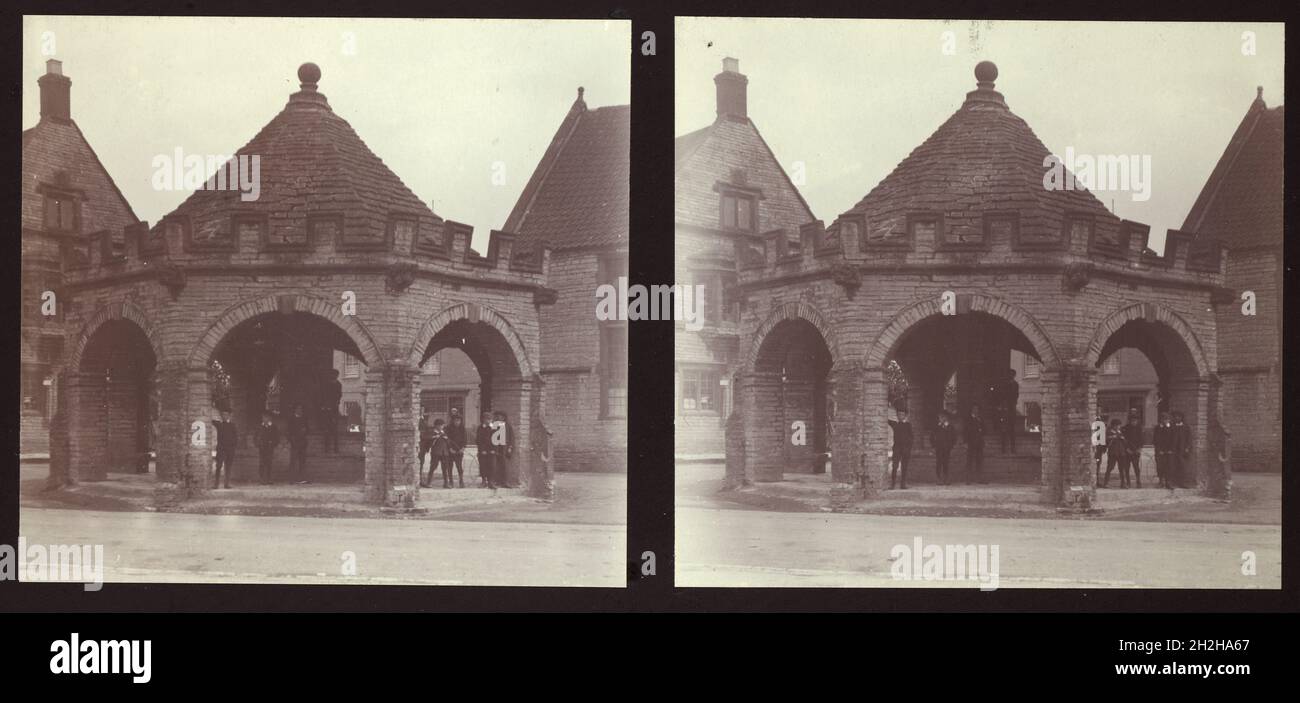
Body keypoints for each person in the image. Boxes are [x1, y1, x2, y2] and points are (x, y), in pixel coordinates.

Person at [886, 408, 912, 489]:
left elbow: (911, 437)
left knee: (904, 466)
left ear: (905, 416)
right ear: (897, 416)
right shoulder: (895, 424)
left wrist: (908, 447)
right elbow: (886, 420)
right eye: (899, 415)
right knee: (894, 466)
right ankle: (892, 484)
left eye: (902, 415)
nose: (901, 416)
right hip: (897, 448)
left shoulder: (908, 425)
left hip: (905, 449)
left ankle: (903, 484)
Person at [212, 410, 238, 489]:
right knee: (218, 466)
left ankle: (227, 484)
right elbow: (211, 421)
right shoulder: (219, 424)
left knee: (228, 467)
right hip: (221, 449)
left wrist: (233, 447)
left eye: (226, 415)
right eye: (223, 415)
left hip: (230, 449)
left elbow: (236, 437)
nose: (224, 416)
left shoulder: (233, 425)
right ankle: (216, 484)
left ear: (229, 416)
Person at [424, 418, 451, 488]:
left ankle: (446, 483)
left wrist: (447, 439)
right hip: (436, 453)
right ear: (436, 426)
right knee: (433, 467)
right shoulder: (433, 432)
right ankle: (428, 482)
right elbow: (428, 441)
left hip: (444, 453)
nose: (442, 427)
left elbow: (449, 443)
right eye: (440, 425)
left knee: (445, 468)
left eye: (442, 425)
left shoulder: (444, 433)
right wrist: (435, 437)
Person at [321, 369, 343, 453]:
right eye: (332, 375)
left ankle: (336, 448)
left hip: (334, 409)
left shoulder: (338, 385)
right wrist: (325, 406)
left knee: (335, 429)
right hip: (327, 409)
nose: (334, 376)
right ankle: (327, 448)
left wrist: (335, 404)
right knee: (327, 429)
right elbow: (324, 395)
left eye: (335, 375)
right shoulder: (327, 384)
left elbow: (339, 396)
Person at [493, 411, 516, 488]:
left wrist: (510, 447)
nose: (499, 418)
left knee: (505, 465)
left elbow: (511, 438)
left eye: (501, 416)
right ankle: (497, 481)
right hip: (496, 447)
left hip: (504, 448)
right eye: (498, 416)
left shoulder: (508, 426)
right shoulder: (495, 425)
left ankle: (505, 482)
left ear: (504, 417)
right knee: (496, 464)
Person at [932, 410, 956, 485]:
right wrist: (934, 445)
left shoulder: (950, 427)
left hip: (947, 448)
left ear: (946, 418)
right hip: (939, 448)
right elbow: (932, 437)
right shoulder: (936, 427)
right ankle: (938, 478)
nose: (941, 419)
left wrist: (951, 445)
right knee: (939, 463)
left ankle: (946, 478)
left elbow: (954, 437)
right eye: (940, 417)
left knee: (946, 463)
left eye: (943, 417)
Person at [963, 404, 986, 483]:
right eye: (974, 409)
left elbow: (984, 430)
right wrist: (965, 442)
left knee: (979, 461)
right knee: (969, 461)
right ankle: (968, 479)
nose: (976, 410)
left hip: (979, 443)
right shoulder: (968, 419)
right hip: (971, 442)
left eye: (977, 409)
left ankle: (979, 478)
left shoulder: (980, 419)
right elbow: (965, 431)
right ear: (971, 410)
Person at [287, 404, 309, 484]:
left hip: (302, 443)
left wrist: (305, 430)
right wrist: (292, 440)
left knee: (302, 461)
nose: (300, 410)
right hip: (295, 443)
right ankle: (292, 479)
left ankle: (302, 479)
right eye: (298, 409)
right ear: (295, 410)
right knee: (293, 461)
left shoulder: (304, 419)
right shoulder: (291, 419)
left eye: (301, 409)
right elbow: (288, 432)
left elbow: (308, 429)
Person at [1153, 411, 1175, 490]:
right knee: (1160, 466)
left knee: (1169, 466)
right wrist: (1159, 450)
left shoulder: (1172, 427)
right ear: (1161, 420)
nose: (1165, 421)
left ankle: (1168, 482)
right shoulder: (1158, 428)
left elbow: (1174, 440)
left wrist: (1171, 449)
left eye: (1166, 419)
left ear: (1169, 420)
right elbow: (1156, 440)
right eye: (1163, 419)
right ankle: (1161, 481)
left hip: (1169, 451)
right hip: (1160, 451)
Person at [255, 411, 279, 485]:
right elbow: (255, 437)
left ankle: (268, 479)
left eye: (266, 417)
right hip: (262, 448)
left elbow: (277, 438)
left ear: (270, 418)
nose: (264, 419)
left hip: (269, 448)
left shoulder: (273, 427)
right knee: (262, 463)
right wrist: (258, 444)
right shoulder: (259, 427)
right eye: (263, 417)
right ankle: (261, 479)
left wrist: (273, 444)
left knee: (269, 463)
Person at [1122, 409, 1144, 489]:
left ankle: (1138, 481)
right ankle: (1128, 482)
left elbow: (1141, 440)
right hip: (1127, 451)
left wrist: (1139, 449)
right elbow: (1123, 440)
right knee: (1127, 467)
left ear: (1137, 421)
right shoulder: (1125, 428)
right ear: (1129, 420)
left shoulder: (1139, 428)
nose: (1134, 422)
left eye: (1135, 420)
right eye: (1132, 420)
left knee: (1136, 467)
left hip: (1136, 451)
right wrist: (1127, 449)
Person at [445, 409, 467, 488]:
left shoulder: (462, 429)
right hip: (451, 451)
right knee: (450, 467)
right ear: (452, 421)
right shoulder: (448, 428)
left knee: (459, 467)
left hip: (459, 451)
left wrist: (463, 448)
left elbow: (465, 439)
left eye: (459, 420)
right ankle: (451, 482)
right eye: (455, 420)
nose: (457, 422)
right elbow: (447, 439)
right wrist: (450, 448)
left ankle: (461, 481)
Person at [1103, 418, 1127, 488]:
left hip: (1121, 453)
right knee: (1110, 468)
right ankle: (1106, 483)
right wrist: (1112, 437)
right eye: (1116, 425)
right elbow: (1107, 441)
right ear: (1112, 426)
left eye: (1118, 425)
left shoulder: (1121, 432)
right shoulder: (1109, 432)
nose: (1117, 427)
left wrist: (1123, 439)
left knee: (1122, 469)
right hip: (1113, 453)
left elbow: (1125, 442)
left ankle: (1123, 483)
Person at [1000, 369, 1019, 453]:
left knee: (1012, 429)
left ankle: (1013, 448)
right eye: (1010, 374)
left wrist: (1013, 404)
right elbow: (1002, 395)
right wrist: (1004, 406)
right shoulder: (1005, 384)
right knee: (1004, 429)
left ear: (1014, 375)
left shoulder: (1016, 384)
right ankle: (1003, 448)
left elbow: (1016, 395)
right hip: (1005, 409)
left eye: (1012, 375)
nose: (1011, 376)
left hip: (1012, 408)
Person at [476, 411, 496, 488]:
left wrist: (493, 449)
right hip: (482, 451)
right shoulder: (480, 428)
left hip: (492, 451)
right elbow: (478, 440)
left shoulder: (494, 427)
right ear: (483, 420)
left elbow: (497, 439)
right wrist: (482, 450)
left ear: (492, 420)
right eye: (486, 419)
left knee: (492, 466)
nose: (488, 421)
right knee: (483, 466)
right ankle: (484, 481)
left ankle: (491, 481)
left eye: (489, 419)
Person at [1172, 410, 1191, 489]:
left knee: (1183, 466)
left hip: (1182, 450)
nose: (1177, 418)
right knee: (1173, 465)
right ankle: (1174, 482)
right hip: (1173, 450)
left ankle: (1183, 483)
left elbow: (1189, 439)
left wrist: (1187, 448)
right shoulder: (1172, 426)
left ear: (1182, 418)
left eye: (1179, 416)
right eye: (1175, 416)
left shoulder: (1186, 427)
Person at [1092, 414, 1107, 486]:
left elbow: (1103, 436)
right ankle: (1093, 481)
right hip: (1093, 448)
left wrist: (1104, 447)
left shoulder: (1101, 425)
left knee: (1097, 464)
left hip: (1099, 449)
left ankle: (1096, 481)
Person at [417, 411, 432, 478]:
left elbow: (428, 434)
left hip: (423, 446)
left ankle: (419, 478)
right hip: (418, 445)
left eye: (423, 410)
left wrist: (427, 447)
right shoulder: (416, 420)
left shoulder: (425, 421)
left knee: (421, 462)